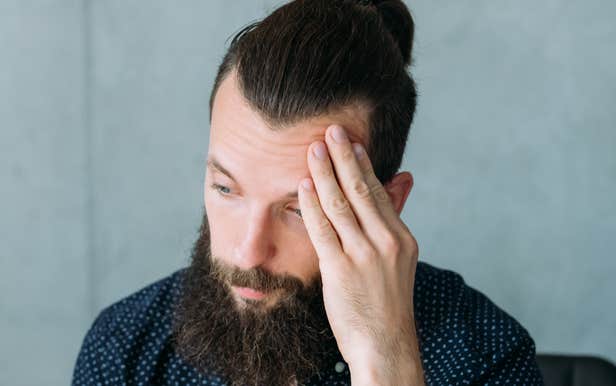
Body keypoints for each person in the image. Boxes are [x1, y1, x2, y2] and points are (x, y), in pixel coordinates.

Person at [72, 0, 543, 385]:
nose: (247, 251)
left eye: (299, 209)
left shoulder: (486, 357)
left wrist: (387, 367)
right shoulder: (125, 350)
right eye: (224, 188)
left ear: (387, 205)